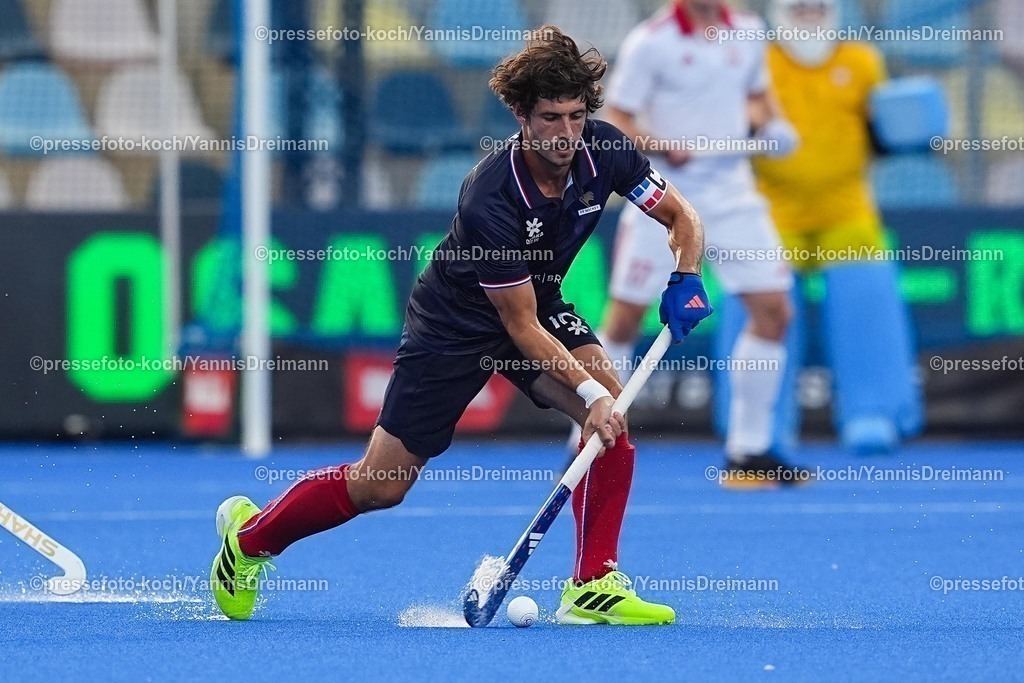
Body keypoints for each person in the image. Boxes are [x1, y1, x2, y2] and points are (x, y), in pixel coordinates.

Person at [210, 26, 712, 625]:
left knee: (611, 422)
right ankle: (249, 541)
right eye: (551, 118)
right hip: (454, 324)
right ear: (521, 115)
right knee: (381, 484)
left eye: (577, 116)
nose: (566, 134)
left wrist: (687, 276)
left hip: (538, 300)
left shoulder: (605, 150)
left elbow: (682, 217)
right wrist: (588, 393)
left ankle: (592, 585)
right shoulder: (491, 198)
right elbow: (519, 328)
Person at [592, 0, 807, 487]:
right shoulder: (650, 42)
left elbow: (757, 98)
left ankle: (749, 451)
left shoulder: (749, 31)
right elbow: (618, 120)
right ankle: (584, 442)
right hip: (661, 196)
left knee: (775, 312)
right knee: (624, 319)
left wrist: (770, 127)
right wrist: (661, 146)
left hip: (734, 196)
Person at [750, 0, 922, 452]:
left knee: (866, 303)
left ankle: (875, 411)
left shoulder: (862, 61)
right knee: (760, 307)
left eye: (818, 5)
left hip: (848, 213)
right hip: (772, 214)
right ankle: (758, 423)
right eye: (799, 6)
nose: (810, 12)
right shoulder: (756, 62)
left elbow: (884, 135)